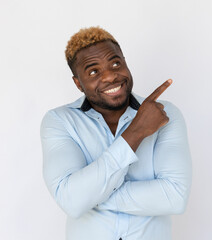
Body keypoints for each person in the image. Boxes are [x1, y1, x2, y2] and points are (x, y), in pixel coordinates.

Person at [40, 27, 192, 240]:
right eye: (94, 71)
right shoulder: (60, 121)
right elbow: (72, 203)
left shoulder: (166, 115)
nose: (110, 76)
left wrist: (90, 197)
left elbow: (175, 197)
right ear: (78, 83)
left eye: (115, 63)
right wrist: (136, 133)